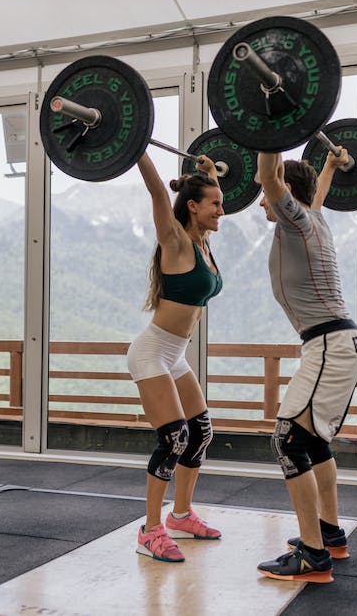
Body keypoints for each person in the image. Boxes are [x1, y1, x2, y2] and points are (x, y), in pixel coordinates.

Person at [254, 148, 357, 583]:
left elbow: (269, 175)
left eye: (268, 195)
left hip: (329, 345)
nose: (262, 200)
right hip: (338, 341)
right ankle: (329, 533)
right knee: (313, 440)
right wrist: (331, 167)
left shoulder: (297, 220)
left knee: (287, 443)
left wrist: (271, 135)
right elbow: (315, 193)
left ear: (285, 193)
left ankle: (313, 556)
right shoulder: (314, 218)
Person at [126, 152, 225, 563]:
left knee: (200, 431)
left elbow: (207, 191)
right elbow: (155, 190)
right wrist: (136, 148)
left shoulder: (203, 241)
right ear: (192, 207)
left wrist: (209, 174)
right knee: (174, 438)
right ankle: (150, 530)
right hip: (152, 352)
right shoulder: (176, 240)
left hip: (176, 354)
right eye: (216, 203)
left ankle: (180, 515)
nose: (223, 209)